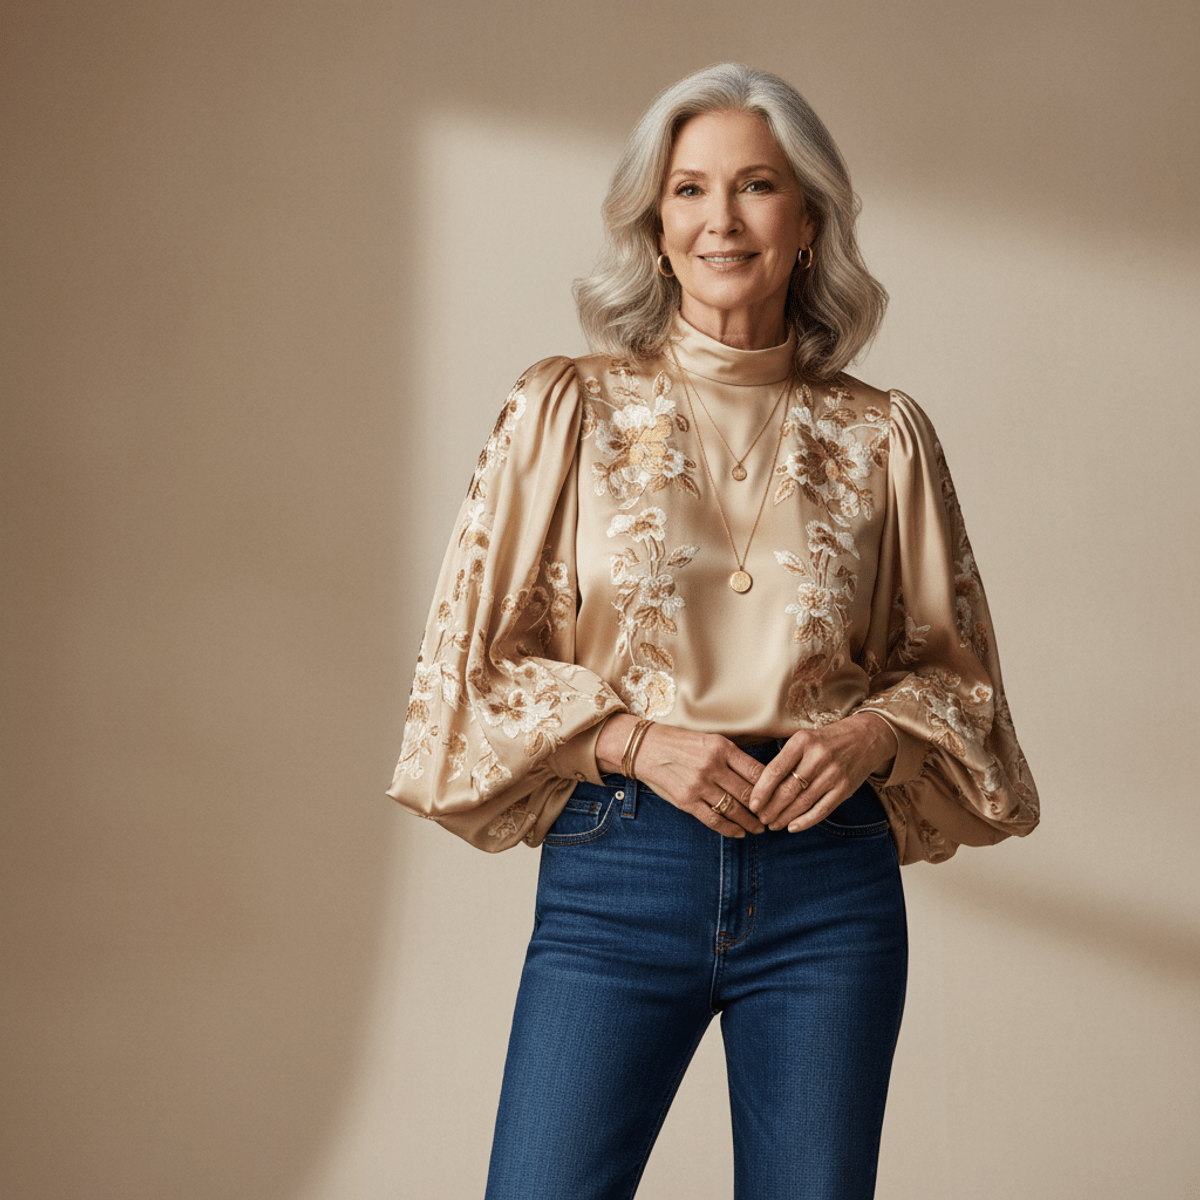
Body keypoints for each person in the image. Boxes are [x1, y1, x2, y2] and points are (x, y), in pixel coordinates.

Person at [387, 62, 1039, 1200]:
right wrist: (636, 743)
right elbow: (471, 666)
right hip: (622, 863)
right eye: (688, 190)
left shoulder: (883, 438)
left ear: (808, 223)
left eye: (755, 187)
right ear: (654, 224)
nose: (720, 220)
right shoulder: (568, 411)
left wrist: (869, 737)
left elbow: (959, 680)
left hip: (828, 883)